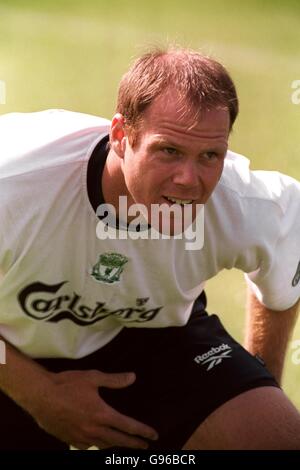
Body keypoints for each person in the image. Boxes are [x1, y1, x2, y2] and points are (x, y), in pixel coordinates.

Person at [0, 46, 300, 451]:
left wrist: (258, 377)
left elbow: (287, 246)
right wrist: (40, 393)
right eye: (169, 151)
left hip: (152, 335)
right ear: (121, 136)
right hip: (12, 351)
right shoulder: (15, 180)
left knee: (273, 438)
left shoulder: (244, 203)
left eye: (210, 155)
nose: (189, 180)